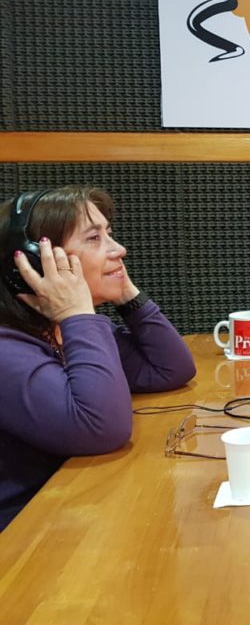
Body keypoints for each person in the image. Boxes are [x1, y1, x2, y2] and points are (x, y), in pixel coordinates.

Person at [0, 186, 196, 530]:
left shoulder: (67, 331)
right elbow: (101, 428)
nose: (119, 249)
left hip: (72, 508)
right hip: (22, 539)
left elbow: (171, 369)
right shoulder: (7, 348)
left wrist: (126, 294)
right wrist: (76, 312)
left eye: (110, 234)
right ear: (34, 262)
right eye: (94, 238)